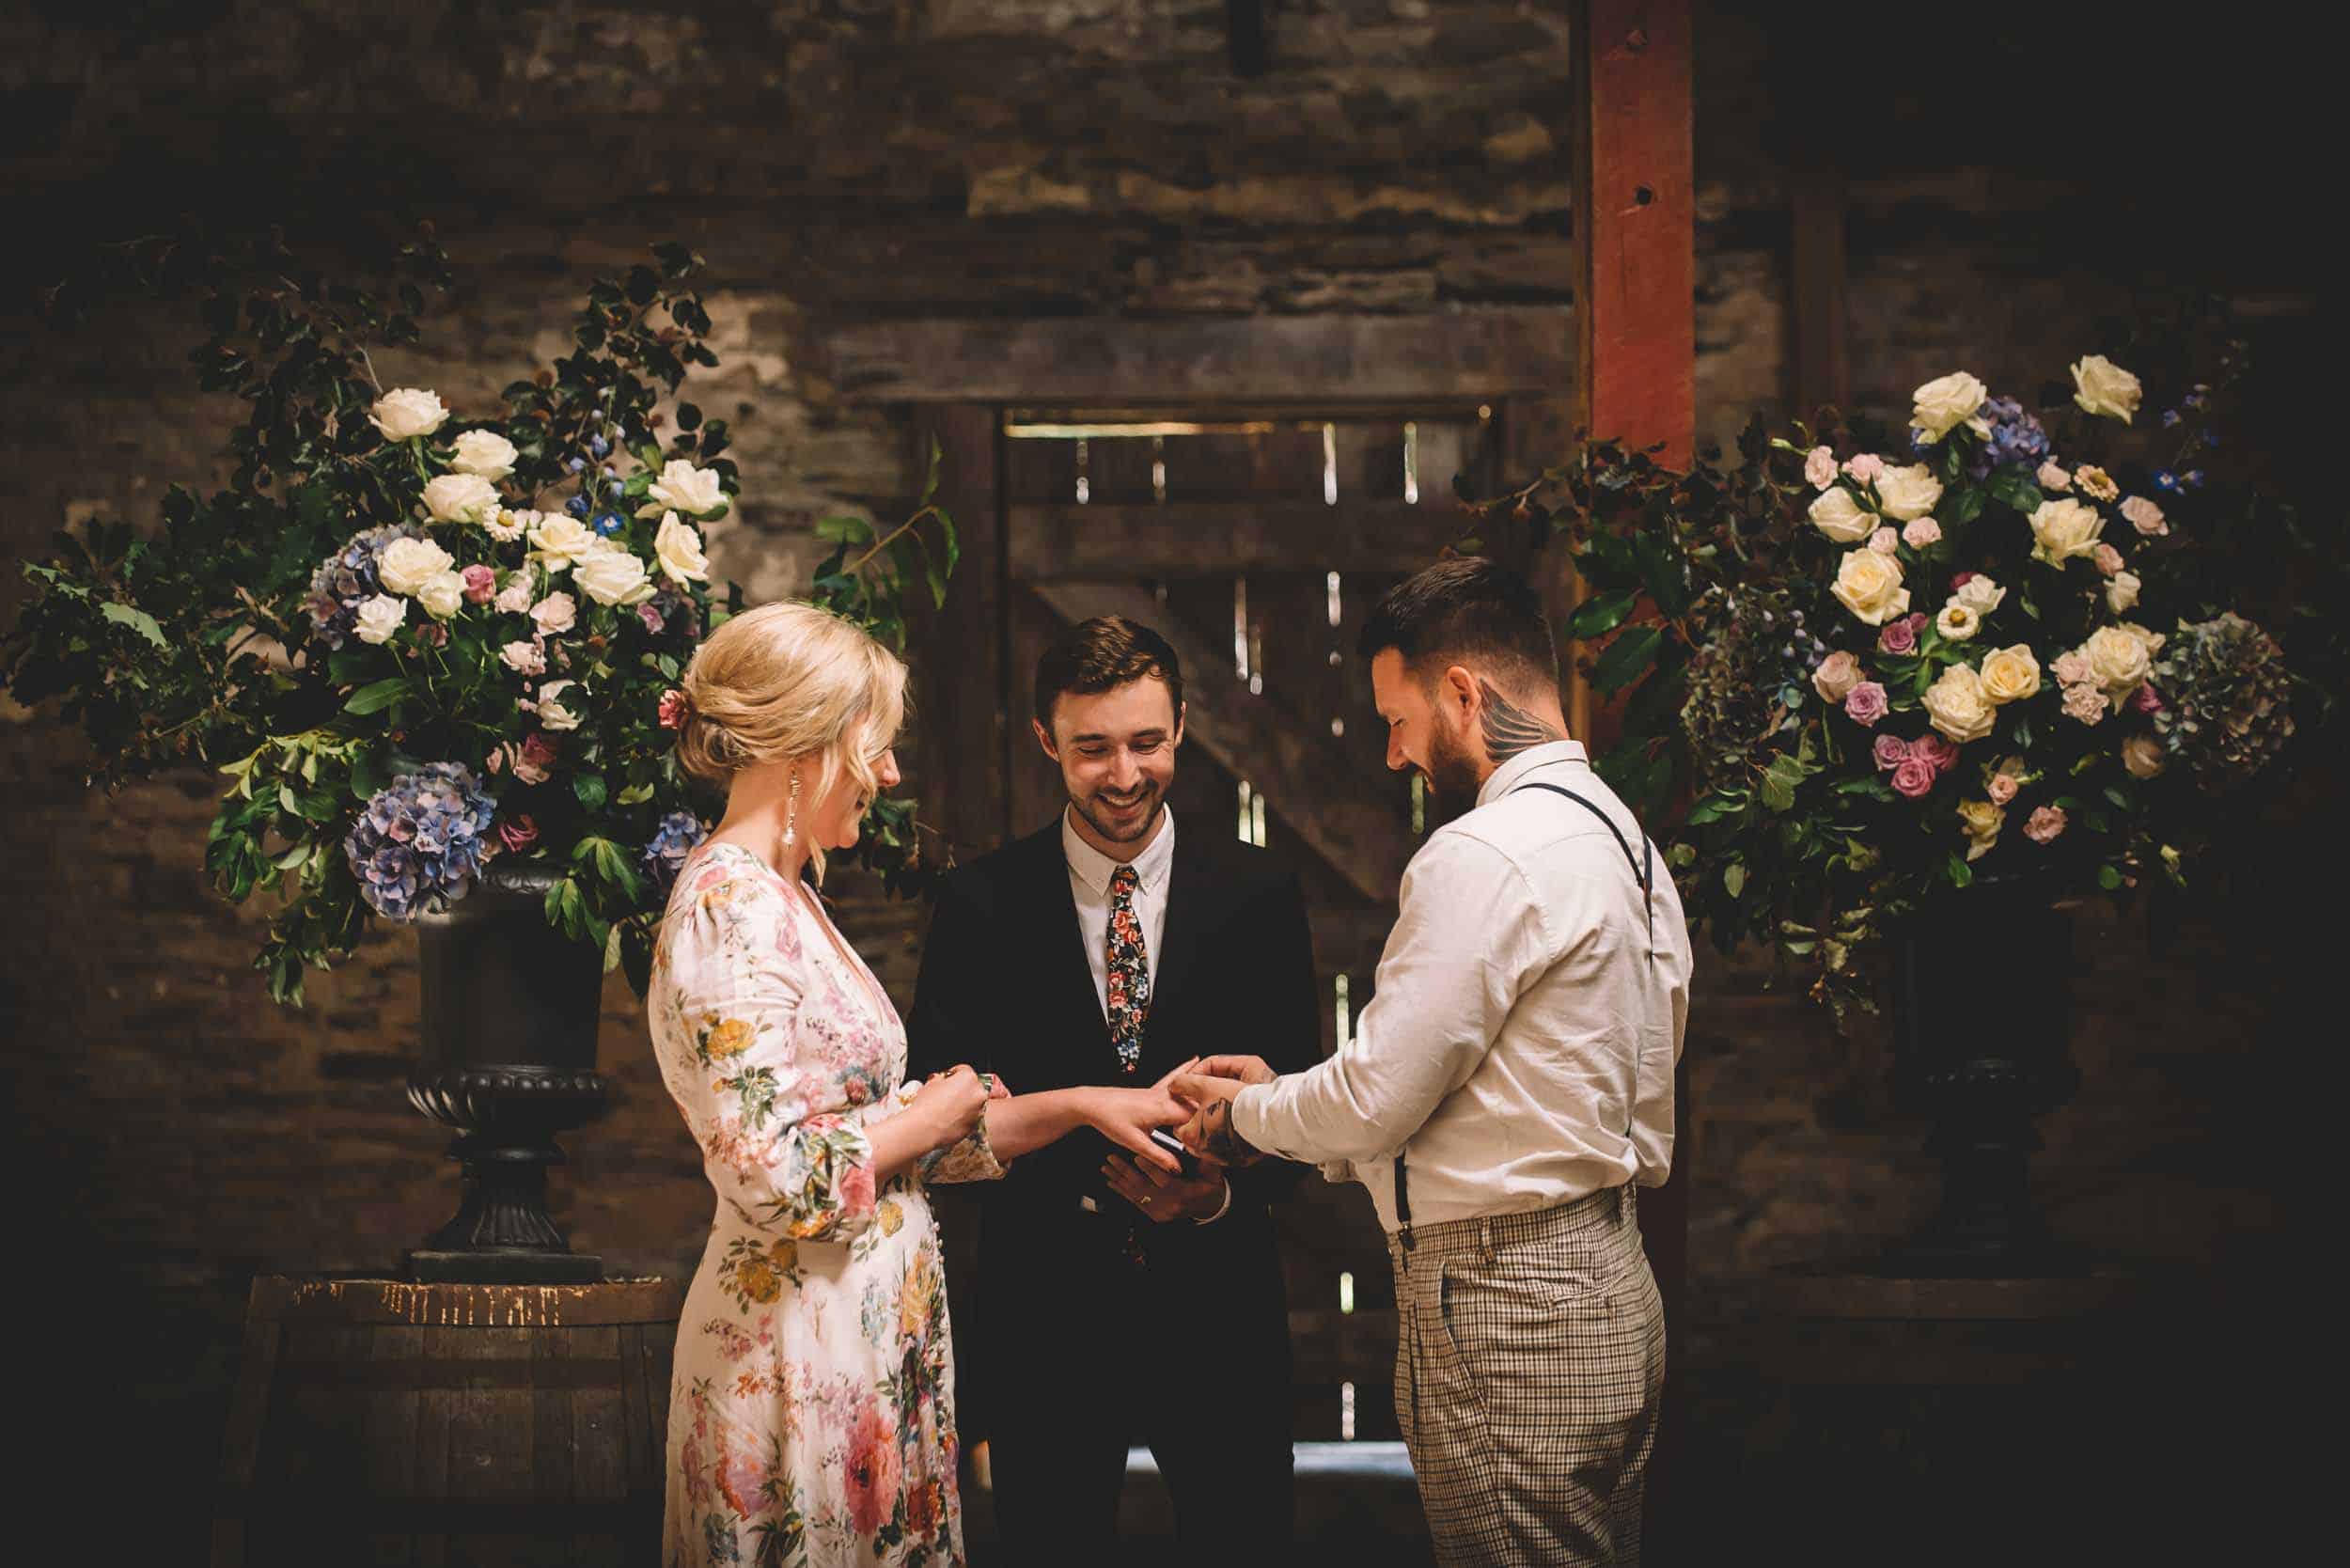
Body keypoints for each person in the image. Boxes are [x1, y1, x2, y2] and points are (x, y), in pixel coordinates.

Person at [649, 601, 1194, 1567]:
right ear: (806, 750)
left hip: (852, 1343)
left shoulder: (788, 899)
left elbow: (879, 1136)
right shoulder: (729, 907)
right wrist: (933, 1108)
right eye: (878, 745)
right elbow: (775, 1176)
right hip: (793, 1350)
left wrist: (1077, 1105)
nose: (892, 774)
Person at [1173, 557, 1694, 1568]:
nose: (1393, 751)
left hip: (1509, 1304)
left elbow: (1377, 1098)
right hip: (1604, 1279)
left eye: (1397, 717)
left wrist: (1242, 1117)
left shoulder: (1486, 852)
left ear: (1463, 692)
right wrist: (1281, 1095)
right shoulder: (1622, 839)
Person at [909, 615, 1319, 1562]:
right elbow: (937, 1127)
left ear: (1179, 729)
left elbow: (1303, 1107)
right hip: (1043, 1314)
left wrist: (1216, 1195)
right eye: (1092, 749)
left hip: (1221, 1311)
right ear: (1047, 742)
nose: (1124, 776)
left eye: (1145, 743)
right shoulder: (978, 905)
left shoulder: (1258, 894)